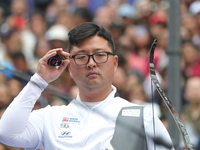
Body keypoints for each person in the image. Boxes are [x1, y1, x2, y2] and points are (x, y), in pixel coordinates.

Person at [0, 22, 174, 150]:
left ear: (114, 64)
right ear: (69, 66)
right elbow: (7, 134)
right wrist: (39, 81)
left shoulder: (143, 117)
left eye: (99, 55)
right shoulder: (51, 117)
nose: (91, 63)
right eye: (82, 57)